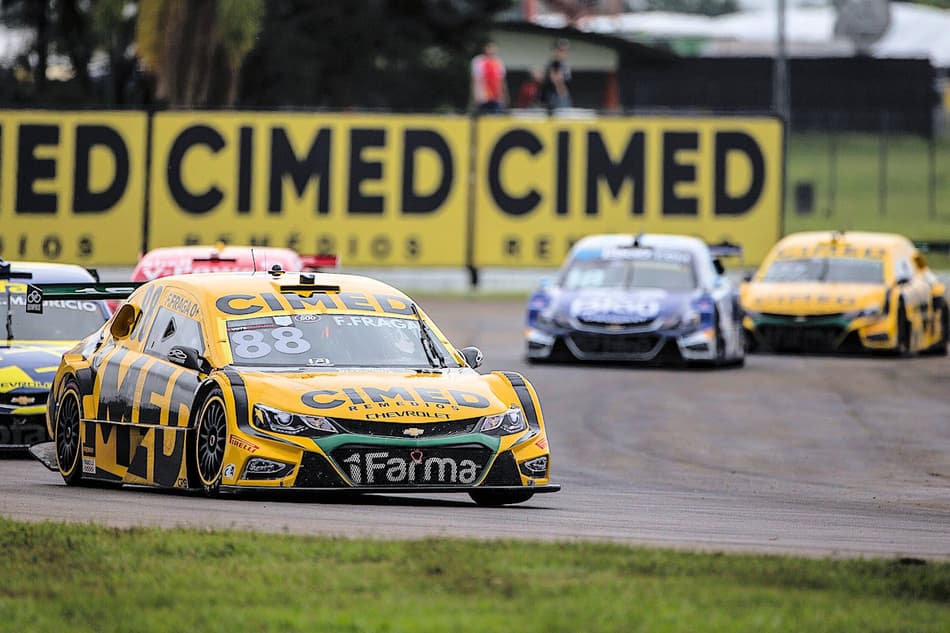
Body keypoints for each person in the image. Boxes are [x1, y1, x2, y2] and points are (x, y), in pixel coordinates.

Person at [470, 40, 508, 115]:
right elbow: (475, 79)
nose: (492, 50)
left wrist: (504, 95)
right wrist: (475, 95)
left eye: (493, 48)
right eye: (489, 47)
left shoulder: (498, 62)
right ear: (485, 48)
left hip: (496, 95)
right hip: (483, 95)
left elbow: (502, 80)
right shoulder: (478, 61)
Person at [540, 38, 572, 112]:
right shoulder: (555, 64)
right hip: (557, 97)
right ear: (556, 51)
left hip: (559, 97)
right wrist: (564, 96)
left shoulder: (563, 64)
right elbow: (556, 80)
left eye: (566, 51)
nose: (565, 53)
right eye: (562, 51)